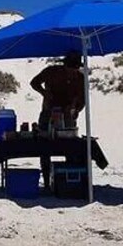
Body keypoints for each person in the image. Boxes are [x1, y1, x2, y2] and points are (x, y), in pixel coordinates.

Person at [30, 50, 86, 187]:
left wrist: (75, 109)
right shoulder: (51, 71)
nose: (73, 71)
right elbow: (34, 82)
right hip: (48, 111)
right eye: (70, 68)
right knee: (45, 145)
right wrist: (44, 93)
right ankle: (47, 180)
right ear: (65, 65)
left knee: (69, 146)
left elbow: (83, 99)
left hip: (67, 116)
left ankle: (68, 179)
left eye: (75, 68)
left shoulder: (80, 78)